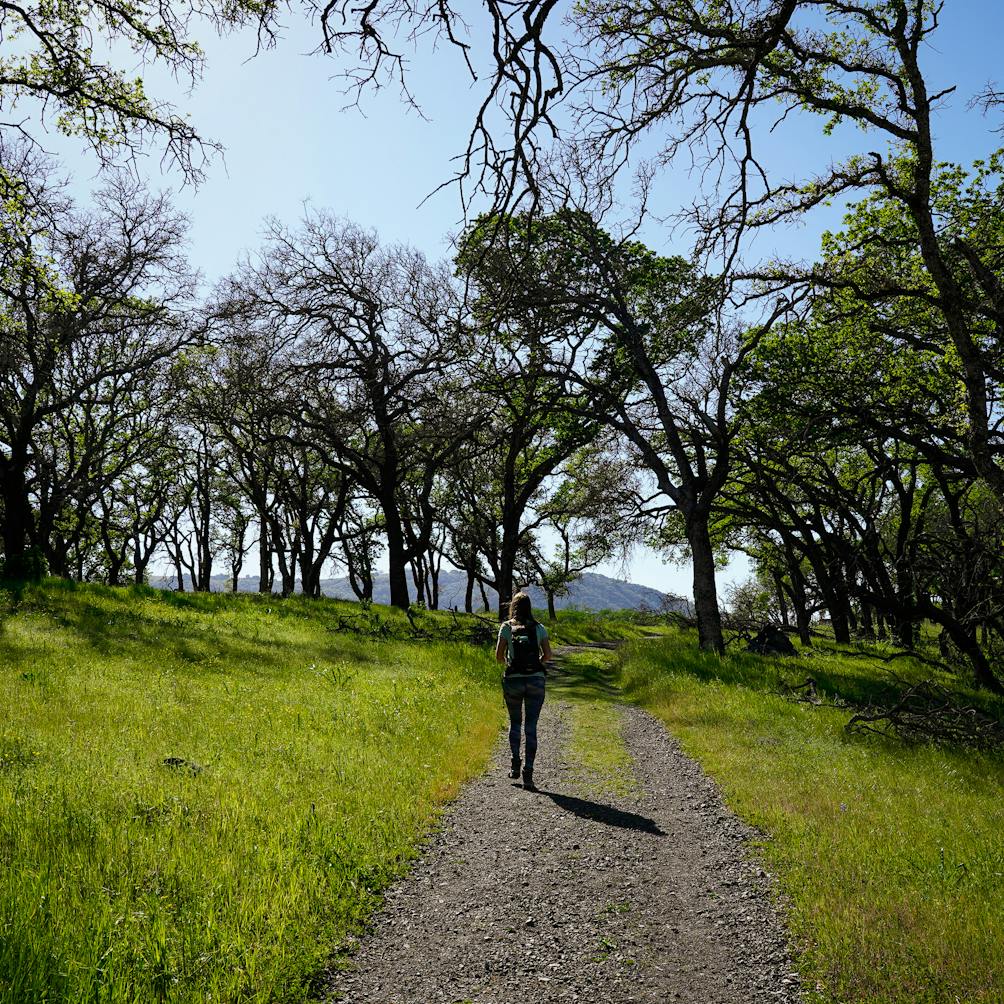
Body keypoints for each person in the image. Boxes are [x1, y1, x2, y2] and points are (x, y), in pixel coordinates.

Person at [495, 591, 553, 790]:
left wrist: (512, 664)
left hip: (513, 681)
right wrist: (535, 664)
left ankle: (515, 765)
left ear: (513, 606)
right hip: (536, 680)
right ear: (530, 607)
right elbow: (548, 655)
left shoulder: (506, 627)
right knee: (531, 727)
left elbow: (498, 656)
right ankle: (528, 773)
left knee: (515, 723)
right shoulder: (539, 628)